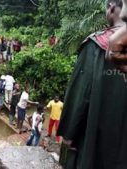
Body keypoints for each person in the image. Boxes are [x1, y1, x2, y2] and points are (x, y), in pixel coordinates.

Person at [57, 0, 127, 168]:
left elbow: (79, 97)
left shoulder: (96, 46)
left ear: (111, 7)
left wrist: (68, 135)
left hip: (96, 148)